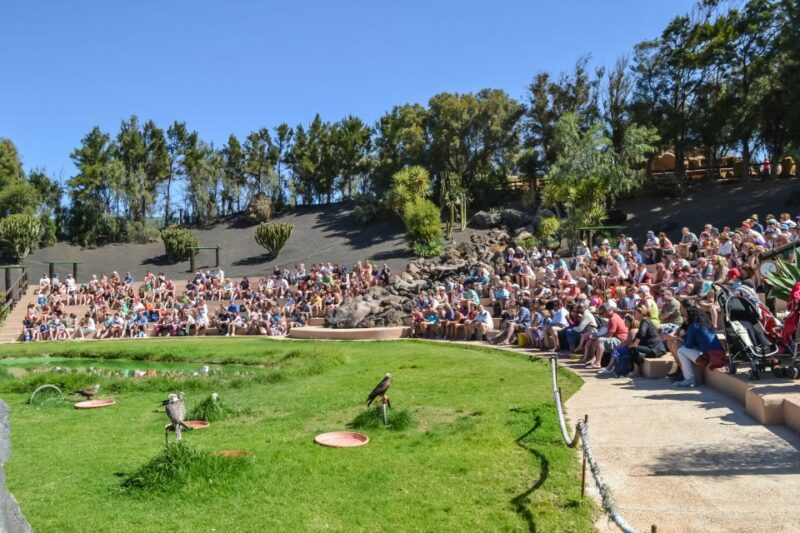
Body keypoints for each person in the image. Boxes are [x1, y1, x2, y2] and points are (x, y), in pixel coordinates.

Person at [675, 306, 724, 387]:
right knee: (684, 350)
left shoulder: (693, 326)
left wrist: (683, 336)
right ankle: (690, 378)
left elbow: (688, 345)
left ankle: (689, 379)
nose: (685, 318)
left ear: (690, 316)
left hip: (711, 356)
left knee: (681, 350)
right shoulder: (705, 324)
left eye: (685, 316)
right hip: (719, 354)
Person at [629, 304, 667, 376]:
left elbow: (641, 333)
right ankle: (635, 368)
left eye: (635, 313)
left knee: (633, 348)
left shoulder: (645, 321)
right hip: (655, 349)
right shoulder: (646, 321)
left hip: (655, 349)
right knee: (634, 347)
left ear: (641, 312)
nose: (634, 315)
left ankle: (636, 371)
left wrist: (635, 344)